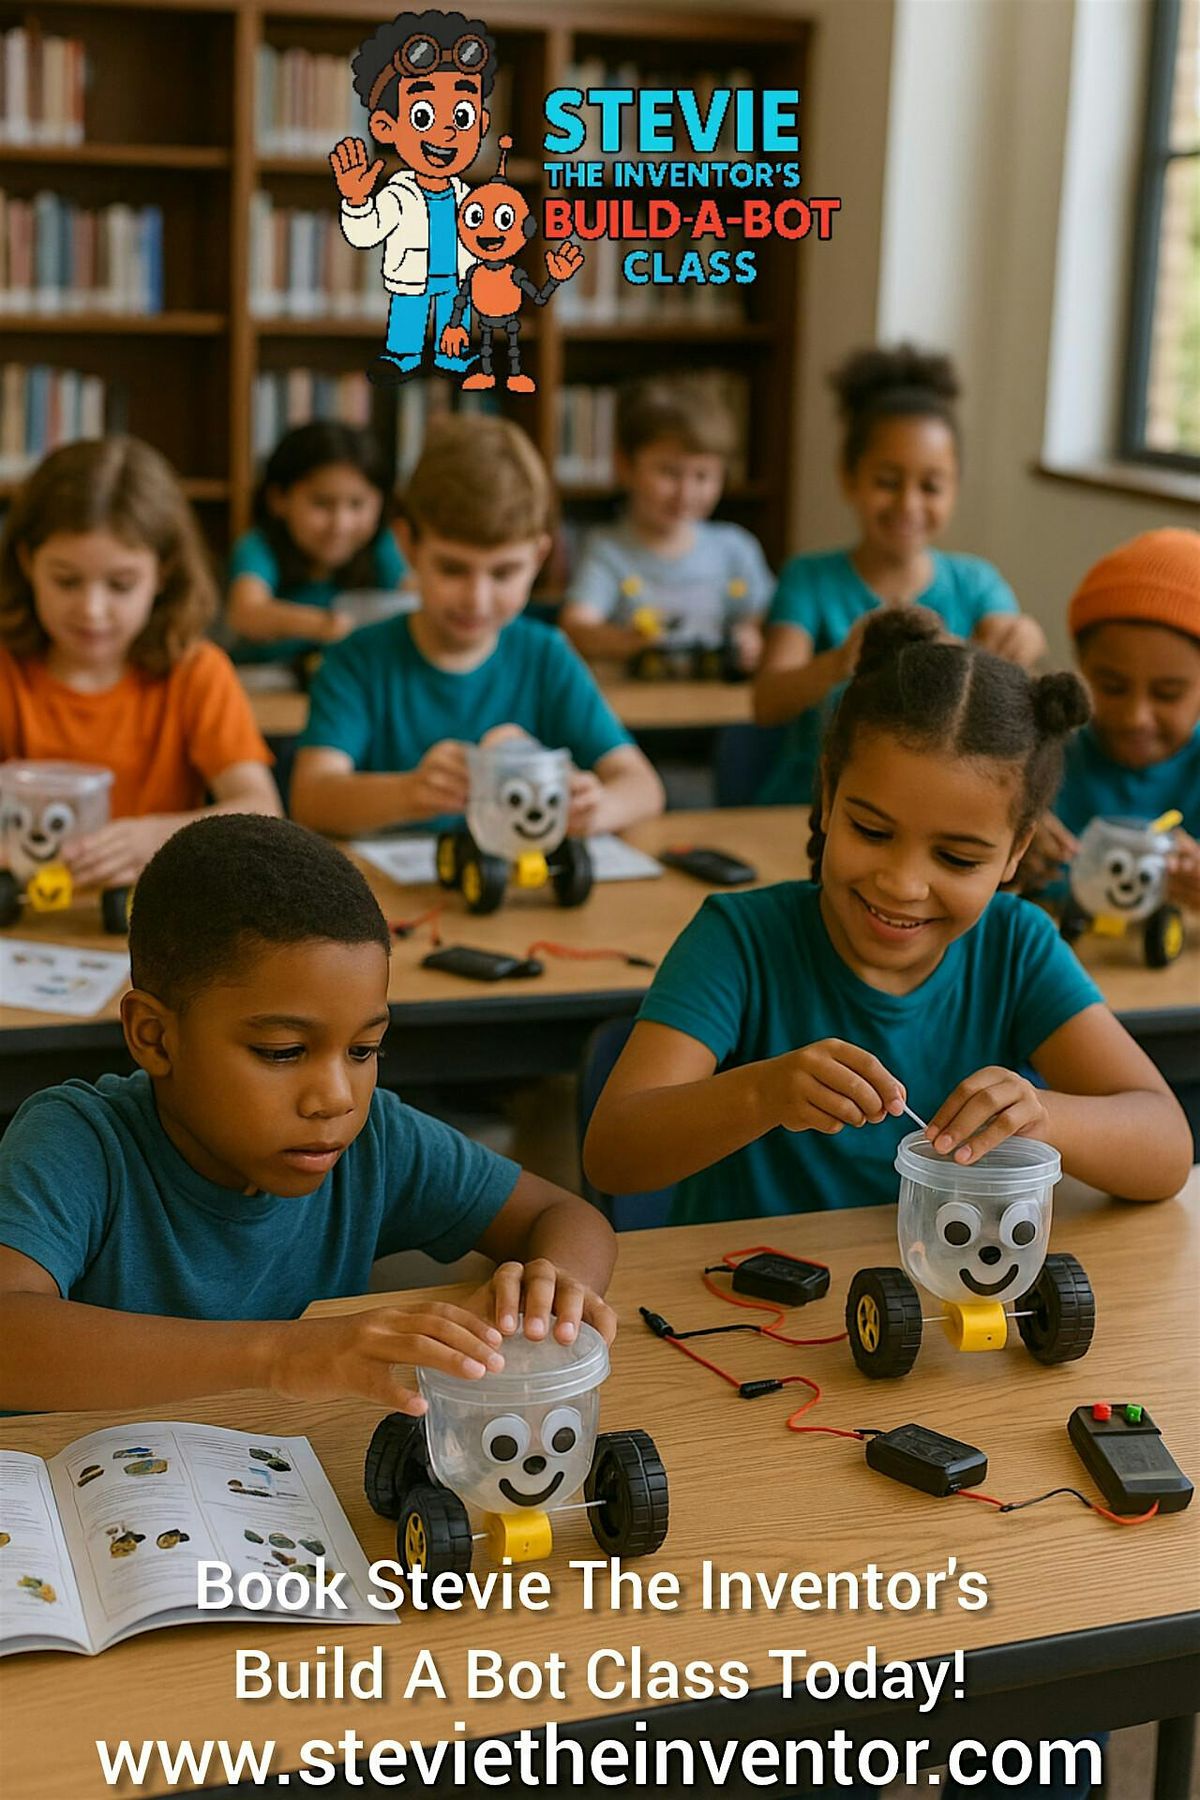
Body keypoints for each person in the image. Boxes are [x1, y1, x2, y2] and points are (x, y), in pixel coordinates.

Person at [584, 609, 1190, 1221]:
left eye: (956, 857)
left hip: (938, 1294)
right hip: (750, 1297)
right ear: (827, 795)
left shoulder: (1016, 946)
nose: (902, 884)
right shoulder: (740, 941)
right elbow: (612, 1155)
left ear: (1017, 852)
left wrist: (1046, 1114)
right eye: (871, 831)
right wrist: (761, 1093)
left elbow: (1167, 1150)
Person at [0, 814, 617, 1414]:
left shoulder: (376, 1140)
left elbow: (565, 1214)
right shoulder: (78, 1143)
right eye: (283, 1052)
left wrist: (550, 1289)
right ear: (155, 1038)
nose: (336, 1097)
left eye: (363, 1050)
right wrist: (281, 1354)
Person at [289, 416, 664, 838]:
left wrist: (595, 808)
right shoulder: (356, 659)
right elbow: (311, 799)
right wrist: (410, 792)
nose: (477, 599)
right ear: (408, 545)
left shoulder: (545, 655)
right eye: (452, 569)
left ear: (539, 557)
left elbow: (643, 787)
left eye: (504, 573)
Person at [754, 344, 1046, 805]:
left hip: (935, 810)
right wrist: (840, 661)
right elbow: (767, 702)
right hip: (807, 810)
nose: (908, 505)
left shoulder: (977, 584)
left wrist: (1021, 644)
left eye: (930, 486)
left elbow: (1012, 692)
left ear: (954, 490)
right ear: (849, 478)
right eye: (887, 482)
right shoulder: (808, 579)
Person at [0, 438, 280, 889]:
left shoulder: (195, 672)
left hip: (150, 921)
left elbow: (261, 808)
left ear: (163, 572)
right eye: (66, 581)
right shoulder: (8, 669)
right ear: (27, 561)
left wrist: (156, 835)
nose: (92, 609)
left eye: (121, 584)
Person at [1020, 528, 1200, 907]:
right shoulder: (1039, 759)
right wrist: (1009, 855)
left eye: (1168, 694)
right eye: (1113, 687)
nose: (1136, 718)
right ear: (1081, 665)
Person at [560, 376, 773, 673]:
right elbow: (576, 626)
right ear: (625, 465)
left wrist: (753, 637)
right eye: (669, 473)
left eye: (702, 476)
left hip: (721, 706)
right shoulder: (608, 550)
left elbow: (767, 617)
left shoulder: (736, 547)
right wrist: (628, 642)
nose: (686, 493)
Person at [331, 8, 495, 384]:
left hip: (456, 278)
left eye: (463, 117)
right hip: (411, 274)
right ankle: (402, 355)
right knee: (408, 314)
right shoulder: (398, 194)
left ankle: (451, 355)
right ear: (386, 127)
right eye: (423, 117)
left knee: (455, 319)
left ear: (482, 125)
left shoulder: (465, 195)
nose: (448, 132)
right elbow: (365, 233)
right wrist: (357, 202)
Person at [226, 421, 405, 664]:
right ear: (279, 499)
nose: (340, 525)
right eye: (322, 503)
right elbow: (246, 612)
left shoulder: (382, 546)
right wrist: (326, 625)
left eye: (357, 504)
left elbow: (414, 599)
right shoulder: (259, 546)